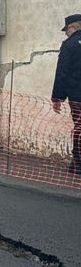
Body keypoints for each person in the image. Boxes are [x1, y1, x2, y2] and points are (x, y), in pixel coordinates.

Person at [51, 14, 81, 176]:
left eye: (66, 31)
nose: (66, 34)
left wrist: (57, 98)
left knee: (79, 128)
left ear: (72, 27)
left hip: (77, 96)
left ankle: (77, 165)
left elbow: (62, 72)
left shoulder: (69, 45)